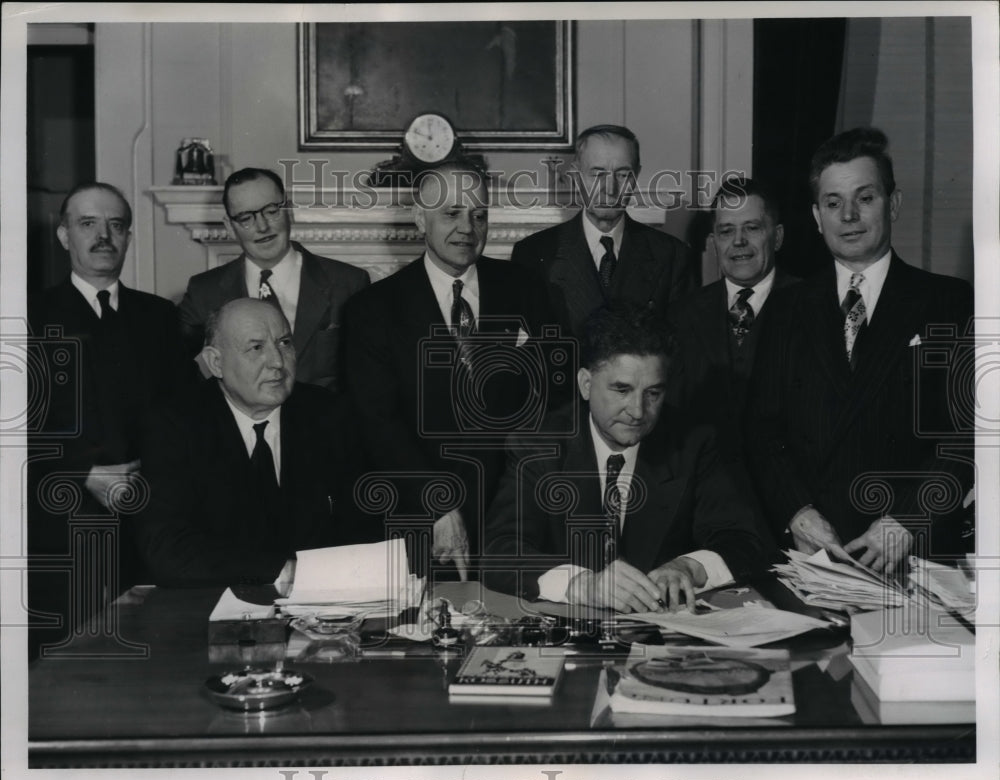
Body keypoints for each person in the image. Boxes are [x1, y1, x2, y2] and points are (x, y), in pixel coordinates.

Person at [747, 128, 974, 573]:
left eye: (865, 198)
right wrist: (798, 513)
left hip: (915, 553)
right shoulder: (785, 306)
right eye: (833, 203)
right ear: (816, 216)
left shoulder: (948, 301)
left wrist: (908, 521)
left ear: (894, 203)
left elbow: (966, 436)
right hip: (815, 554)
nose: (848, 215)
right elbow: (761, 432)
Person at [341, 162, 563, 579]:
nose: (467, 228)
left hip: (518, 512)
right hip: (422, 518)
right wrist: (437, 504)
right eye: (451, 213)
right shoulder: (374, 309)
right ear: (418, 218)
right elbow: (377, 424)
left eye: (479, 215)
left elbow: (555, 395)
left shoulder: (527, 288)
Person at [483, 305, 767, 613]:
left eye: (653, 394)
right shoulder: (537, 445)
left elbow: (743, 541)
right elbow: (500, 551)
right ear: (585, 384)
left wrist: (688, 567)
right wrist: (581, 584)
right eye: (622, 390)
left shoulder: (694, 442)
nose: (638, 411)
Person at [27, 182, 194, 656]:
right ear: (64, 236)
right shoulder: (28, 316)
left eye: (116, 225)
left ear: (128, 236)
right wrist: (83, 474)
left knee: (153, 654)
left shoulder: (160, 317)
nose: (104, 236)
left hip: (148, 523)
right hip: (59, 520)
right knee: (67, 664)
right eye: (88, 225)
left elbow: (183, 415)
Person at [136, 299, 367, 587]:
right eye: (256, 348)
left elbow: (361, 526)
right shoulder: (175, 424)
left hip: (322, 608)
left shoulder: (330, 414)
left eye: (284, 343)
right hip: (214, 607)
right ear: (216, 362)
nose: (277, 362)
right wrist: (283, 572)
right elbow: (166, 547)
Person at [178, 167, 369, 391]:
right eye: (245, 218)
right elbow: (171, 366)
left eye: (271, 211)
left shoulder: (348, 283)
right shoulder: (205, 291)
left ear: (290, 210)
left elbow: (366, 376)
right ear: (230, 227)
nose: (262, 227)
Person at [511, 124, 695, 339]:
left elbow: (681, 350)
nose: (610, 188)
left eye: (622, 175)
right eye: (597, 174)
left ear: (636, 176)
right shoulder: (533, 254)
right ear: (577, 176)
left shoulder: (671, 256)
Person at [668, 177, 798, 461]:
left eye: (752, 228)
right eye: (727, 231)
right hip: (708, 491)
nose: (739, 241)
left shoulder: (814, 307)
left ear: (777, 237)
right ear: (714, 242)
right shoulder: (682, 316)